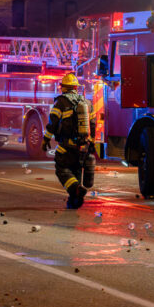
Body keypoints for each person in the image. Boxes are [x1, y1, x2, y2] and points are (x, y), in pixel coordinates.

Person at [41, 73, 96, 209]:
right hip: (83, 147)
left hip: (67, 146)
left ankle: (76, 189)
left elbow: (52, 123)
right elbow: (93, 124)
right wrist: (92, 143)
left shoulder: (61, 102)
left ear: (63, 88)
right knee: (76, 171)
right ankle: (74, 202)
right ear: (76, 88)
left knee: (62, 169)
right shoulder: (86, 103)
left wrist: (46, 139)